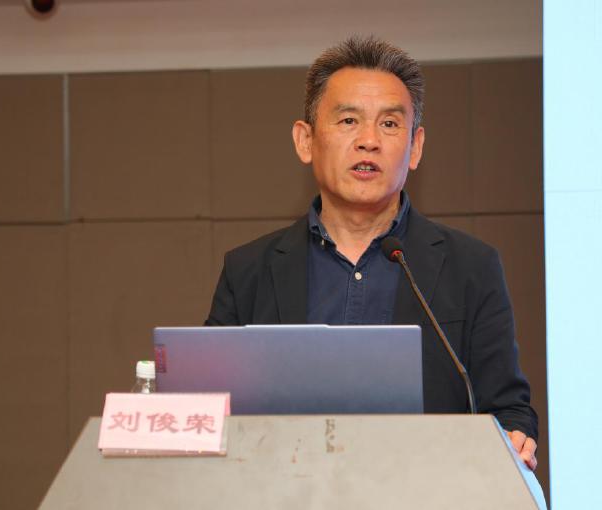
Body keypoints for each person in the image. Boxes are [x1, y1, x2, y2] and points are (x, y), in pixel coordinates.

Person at [205, 35, 538, 470]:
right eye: (348, 121)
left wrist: (516, 437)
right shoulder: (248, 270)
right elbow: (207, 408)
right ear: (305, 140)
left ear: (415, 147)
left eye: (390, 124)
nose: (369, 141)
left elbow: (508, 409)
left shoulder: (471, 267)